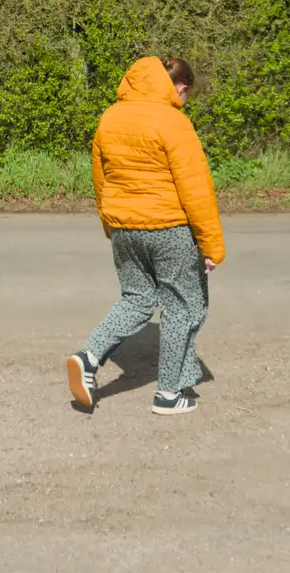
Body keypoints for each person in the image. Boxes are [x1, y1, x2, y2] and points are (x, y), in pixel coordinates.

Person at [66, 56, 225, 415]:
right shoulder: (174, 122)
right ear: (179, 87)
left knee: (136, 300)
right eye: (185, 94)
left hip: (124, 227)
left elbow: (101, 178)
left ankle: (88, 358)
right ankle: (168, 393)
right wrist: (212, 245)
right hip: (170, 228)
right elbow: (196, 189)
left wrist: (110, 225)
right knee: (181, 306)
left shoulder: (110, 117)